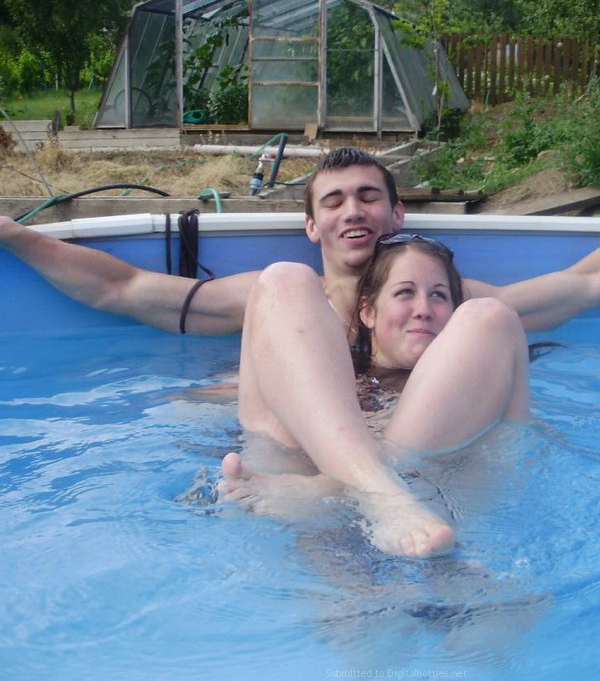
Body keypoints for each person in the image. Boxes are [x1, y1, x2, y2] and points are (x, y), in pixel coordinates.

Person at [0, 147, 600, 554]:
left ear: (392, 216)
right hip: (298, 462)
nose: (355, 209)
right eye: (335, 199)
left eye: (372, 197)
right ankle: (360, 499)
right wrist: (12, 234)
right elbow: (121, 290)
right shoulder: (267, 296)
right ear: (312, 223)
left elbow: (588, 285)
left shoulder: (451, 310)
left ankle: (347, 496)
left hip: (406, 464)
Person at [218, 232, 530, 557]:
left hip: (430, 524)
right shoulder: (318, 369)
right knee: (283, 279)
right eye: (405, 292)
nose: (423, 308)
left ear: (454, 315)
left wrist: (324, 489)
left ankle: (355, 491)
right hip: (304, 524)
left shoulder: (493, 373)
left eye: (438, 296)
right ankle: (379, 493)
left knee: (494, 315)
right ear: (367, 311)